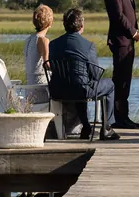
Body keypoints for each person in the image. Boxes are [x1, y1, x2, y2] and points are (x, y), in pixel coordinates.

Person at [46, 8, 118, 139]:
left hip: (57, 91)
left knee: (80, 82)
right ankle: (106, 128)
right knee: (110, 85)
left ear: (64, 24)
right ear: (81, 25)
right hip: (80, 90)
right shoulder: (88, 45)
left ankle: (86, 125)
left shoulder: (53, 44)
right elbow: (96, 74)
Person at [103, 0, 139, 129]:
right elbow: (117, 15)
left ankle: (123, 116)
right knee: (120, 80)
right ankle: (118, 118)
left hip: (127, 41)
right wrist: (133, 32)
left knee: (125, 79)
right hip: (121, 40)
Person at [22, 4, 53, 107]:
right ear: (50, 22)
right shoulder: (43, 40)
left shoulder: (29, 39)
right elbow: (47, 64)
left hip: (29, 88)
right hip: (40, 89)